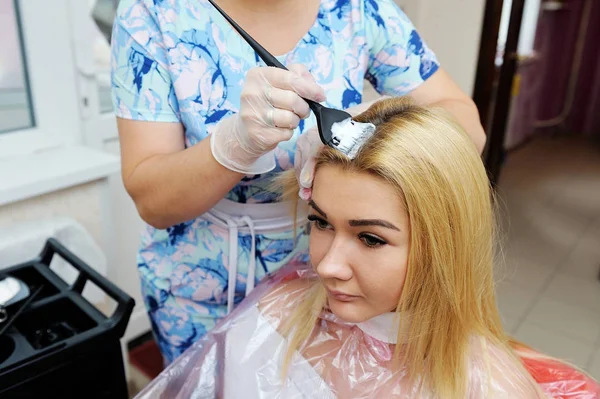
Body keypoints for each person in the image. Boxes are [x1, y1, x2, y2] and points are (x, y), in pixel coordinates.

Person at [133, 97, 600, 399]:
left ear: (446, 244)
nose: (328, 265)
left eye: (371, 238)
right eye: (320, 223)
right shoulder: (275, 318)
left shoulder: (491, 390)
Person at [110, 0, 486, 364]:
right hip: (197, 285)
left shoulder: (359, 9)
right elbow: (152, 202)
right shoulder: (153, 12)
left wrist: (371, 124)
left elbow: (467, 128)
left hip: (324, 281)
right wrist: (232, 146)